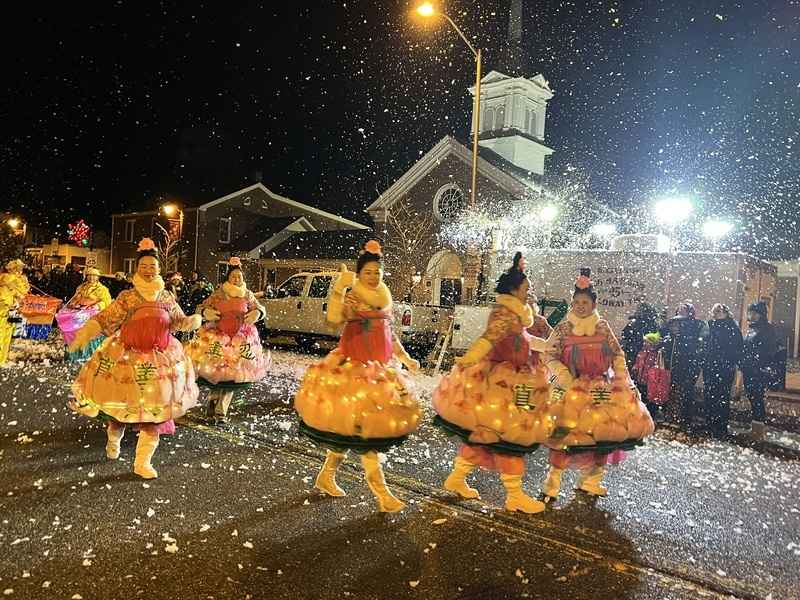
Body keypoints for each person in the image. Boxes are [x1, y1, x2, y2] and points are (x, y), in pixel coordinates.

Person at [294, 240, 420, 512]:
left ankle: (326, 476)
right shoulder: (354, 296)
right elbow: (334, 319)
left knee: (351, 433)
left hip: (380, 372)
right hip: (353, 373)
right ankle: (383, 495)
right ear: (359, 274)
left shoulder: (383, 300)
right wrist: (339, 289)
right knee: (366, 438)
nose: (374, 276)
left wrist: (405, 357)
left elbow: (388, 334)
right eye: (368, 272)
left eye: (377, 272)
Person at [68, 238, 201, 479]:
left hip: (159, 359)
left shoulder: (167, 297)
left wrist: (193, 320)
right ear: (137, 268)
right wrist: (84, 335)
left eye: (153, 266)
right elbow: (105, 319)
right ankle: (113, 438)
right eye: (144, 266)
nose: (149, 270)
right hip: (127, 357)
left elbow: (179, 321)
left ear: (160, 269)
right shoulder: (127, 297)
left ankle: (142, 462)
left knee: (153, 413)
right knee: (122, 411)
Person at [432, 252, 552, 514]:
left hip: (515, 380)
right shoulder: (506, 314)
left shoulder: (515, 315)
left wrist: (549, 348)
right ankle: (514, 496)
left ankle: (456, 478)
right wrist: (469, 358)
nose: (528, 293)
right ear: (514, 290)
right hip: (501, 385)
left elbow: (523, 342)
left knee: (485, 435)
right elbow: (488, 339)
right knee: (510, 437)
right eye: (526, 289)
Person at [541, 269, 654, 502]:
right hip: (569, 388)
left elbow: (617, 355)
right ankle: (552, 482)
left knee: (602, 436)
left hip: (601, 389)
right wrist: (563, 374)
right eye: (576, 302)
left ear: (593, 304)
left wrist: (623, 379)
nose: (580, 306)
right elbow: (548, 355)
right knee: (564, 435)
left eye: (585, 302)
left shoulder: (602, 327)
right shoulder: (563, 328)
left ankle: (591, 481)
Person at [185, 257, 270, 424]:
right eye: (233, 276)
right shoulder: (219, 293)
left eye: (239, 276)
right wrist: (206, 313)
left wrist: (257, 313)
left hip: (241, 338)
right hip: (219, 337)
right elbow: (202, 307)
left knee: (234, 375)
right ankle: (212, 402)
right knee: (219, 372)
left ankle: (221, 411)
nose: (236, 279)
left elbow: (259, 308)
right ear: (228, 278)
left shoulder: (247, 294)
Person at [660, 303, 707, 428]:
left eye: (684, 309)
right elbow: (665, 336)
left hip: (688, 364)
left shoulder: (697, 325)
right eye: (679, 309)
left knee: (686, 391)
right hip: (672, 364)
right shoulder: (672, 323)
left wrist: (695, 359)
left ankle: (684, 418)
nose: (680, 311)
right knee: (671, 389)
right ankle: (670, 415)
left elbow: (699, 344)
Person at [701, 304, 743, 438]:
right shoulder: (710, 325)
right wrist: (704, 359)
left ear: (726, 312)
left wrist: (731, 363)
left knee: (722, 396)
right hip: (710, 366)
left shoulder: (732, 327)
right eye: (715, 311)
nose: (716, 313)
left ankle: (720, 427)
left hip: (724, 368)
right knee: (709, 395)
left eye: (719, 311)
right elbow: (704, 343)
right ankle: (710, 423)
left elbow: (738, 347)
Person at [57, 267, 113, 363]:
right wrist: (74, 303)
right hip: (79, 311)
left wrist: (97, 306)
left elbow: (106, 301)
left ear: (97, 277)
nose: (91, 278)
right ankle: (73, 353)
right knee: (70, 329)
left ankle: (88, 354)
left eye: (94, 276)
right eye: (89, 275)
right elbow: (75, 298)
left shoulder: (103, 289)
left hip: (92, 314)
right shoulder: (81, 287)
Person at [741, 301, 777, 441]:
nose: (751, 315)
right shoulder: (752, 328)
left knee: (756, 399)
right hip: (749, 369)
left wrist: (759, 365)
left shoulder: (767, 329)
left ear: (761, 314)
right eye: (750, 312)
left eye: (754, 313)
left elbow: (767, 351)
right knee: (752, 397)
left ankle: (758, 432)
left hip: (758, 371)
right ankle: (755, 428)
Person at [621, 303, 659, 372]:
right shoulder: (652, 324)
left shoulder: (634, 323)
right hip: (642, 353)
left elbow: (625, 336)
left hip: (638, 352)